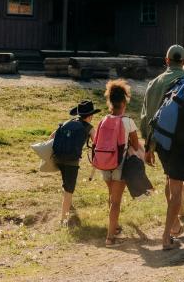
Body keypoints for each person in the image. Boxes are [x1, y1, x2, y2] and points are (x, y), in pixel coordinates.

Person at [141, 44, 184, 250]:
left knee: (170, 180)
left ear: (166, 61)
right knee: (176, 188)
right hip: (180, 143)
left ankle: (174, 224)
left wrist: (148, 146)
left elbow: (146, 117)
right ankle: (167, 237)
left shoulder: (154, 83)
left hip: (160, 143)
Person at [92, 79, 141, 247]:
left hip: (104, 163)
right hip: (119, 165)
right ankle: (110, 238)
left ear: (110, 102)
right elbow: (135, 145)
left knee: (111, 197)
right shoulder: (128, 121)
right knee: (116, 202)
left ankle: (115, 226)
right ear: (123, 102)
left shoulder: (103, 120)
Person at [50, 99, 100, 227]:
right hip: (72, 162)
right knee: (69, 190)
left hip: (58, 158)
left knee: (66, 184)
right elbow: (97, 144)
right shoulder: (89, 128)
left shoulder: (68, 122)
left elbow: (51, 137)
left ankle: (68, 208)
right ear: (90, 116)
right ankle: (63, 221)